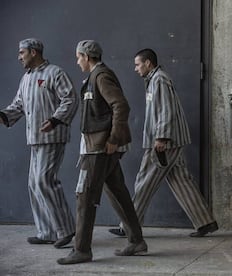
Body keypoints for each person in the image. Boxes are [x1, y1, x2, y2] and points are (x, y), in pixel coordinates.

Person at [108, 48, 218, 238]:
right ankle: (205, 222)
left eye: (137, 64)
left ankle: (129, 226)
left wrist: (161, 138)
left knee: (144, 181)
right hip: (171, 140)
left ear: (148, 63)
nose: (135, 68)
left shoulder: (159, 79)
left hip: (164, 142)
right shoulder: (155, 79)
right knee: (181, 181)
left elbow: (166, 110)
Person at [57, 40, 147, 265]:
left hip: (99, 149)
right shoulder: (95, 76)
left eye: (78, 58)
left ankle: (82, 250)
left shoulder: (101, 76)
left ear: (86, 57)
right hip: (97, 147)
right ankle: (136, 240)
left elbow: (121, 106)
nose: (77, 62)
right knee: (118, 193)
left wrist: (114, 139)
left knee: (85, 197)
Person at [0, 38, 77, 248]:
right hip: (34, 138)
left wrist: (54, 120)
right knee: (34, 185)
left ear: (34, 52)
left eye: (22, 53)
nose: (19, 57)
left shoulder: (55, 73)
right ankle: (47, 232)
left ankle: (66, 229)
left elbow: (70, 98)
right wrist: (3, 115)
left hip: (52, 137)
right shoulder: (26, 78)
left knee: (44, 180)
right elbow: (18, 105)